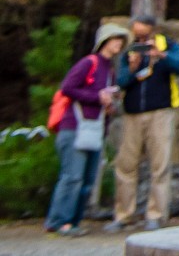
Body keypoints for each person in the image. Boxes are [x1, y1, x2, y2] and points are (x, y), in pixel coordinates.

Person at [108, 13, 179, 234]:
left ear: (153, 30)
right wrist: (132, 69)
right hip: (133, 113)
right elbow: (122, 81)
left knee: (159, 164)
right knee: (125, 165)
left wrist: (161, 55)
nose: (141, 39)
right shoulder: (131, 51)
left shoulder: (169, 45)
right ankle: (123, 214)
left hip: (160, 111)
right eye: (137, 34)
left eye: (143, 34)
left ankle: (157, 214)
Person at [47, 23, 126, 236]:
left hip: (95, 129)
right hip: (74, 127)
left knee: (88, 180)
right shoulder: (88, 63)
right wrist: (96, 97)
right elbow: (67, 88)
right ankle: (59, 221)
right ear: (104, 42)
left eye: (121, 40)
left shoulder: (110, 70)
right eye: (115, 39)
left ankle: (73, 221)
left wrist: (109, 105)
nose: (119, 43)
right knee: (72, 176)